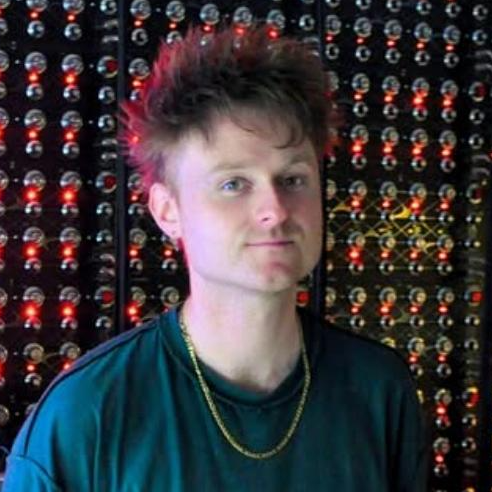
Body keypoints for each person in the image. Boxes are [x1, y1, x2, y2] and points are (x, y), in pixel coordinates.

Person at [3, 25, 429, 491]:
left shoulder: (379, 391)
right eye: (233, 184)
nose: (274, 210)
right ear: (168, 211)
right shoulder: (86, 414)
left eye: (292, 179)